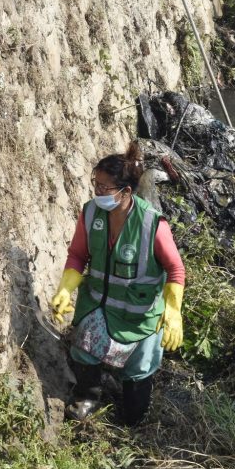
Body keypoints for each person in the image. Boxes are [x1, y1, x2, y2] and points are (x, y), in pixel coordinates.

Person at [49, 142, 186, 426]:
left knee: (138, 372)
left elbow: (175, 269)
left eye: (104, 188)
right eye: (95, 185)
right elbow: (77, 256)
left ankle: (132, 414)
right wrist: (65, 289)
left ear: (126, 192)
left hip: (139, 316)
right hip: (97, 306)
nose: (97, 193)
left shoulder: (152, 225)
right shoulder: (90, 214)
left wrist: (173, 312)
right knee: (84, 348)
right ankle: (88, 395)